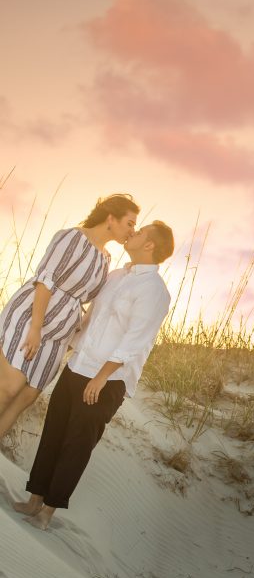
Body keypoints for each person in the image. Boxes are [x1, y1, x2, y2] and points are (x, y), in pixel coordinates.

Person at [13, 221, 174, 530]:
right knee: (53, 433)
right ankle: (34, 499)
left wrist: (101, 377)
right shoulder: (115, 277)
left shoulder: (154, 291)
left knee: (76, 444)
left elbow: (136, 339)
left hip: (106, 380)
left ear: (150, 245)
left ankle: (48, 511)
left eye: (139, 232)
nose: (133, 233)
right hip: (77, 367)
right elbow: (89, 319)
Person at [0, 194, 140, 439]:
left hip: (58, 336)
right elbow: (45, 280)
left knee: (26, 396)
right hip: (33, 318)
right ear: (111, 218)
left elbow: (89, 300)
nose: (132, 230)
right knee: (8, 389)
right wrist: (35, 328)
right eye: (130, 223)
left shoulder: (105, 258)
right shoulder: (73, 237)